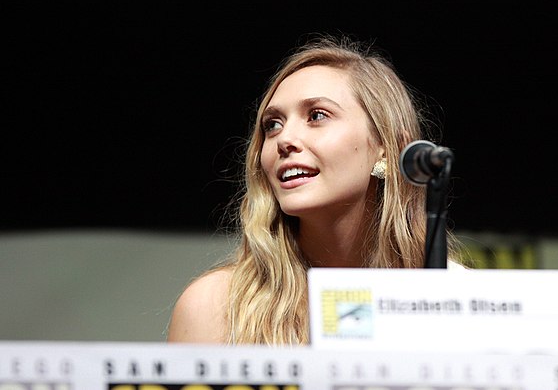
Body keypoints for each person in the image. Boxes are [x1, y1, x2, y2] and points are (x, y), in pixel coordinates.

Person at [167, 34, 463, 345]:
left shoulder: (461, 300)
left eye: (317, 116)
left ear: (388, 148)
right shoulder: (215, 308)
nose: (285, 139)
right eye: (272, 124)